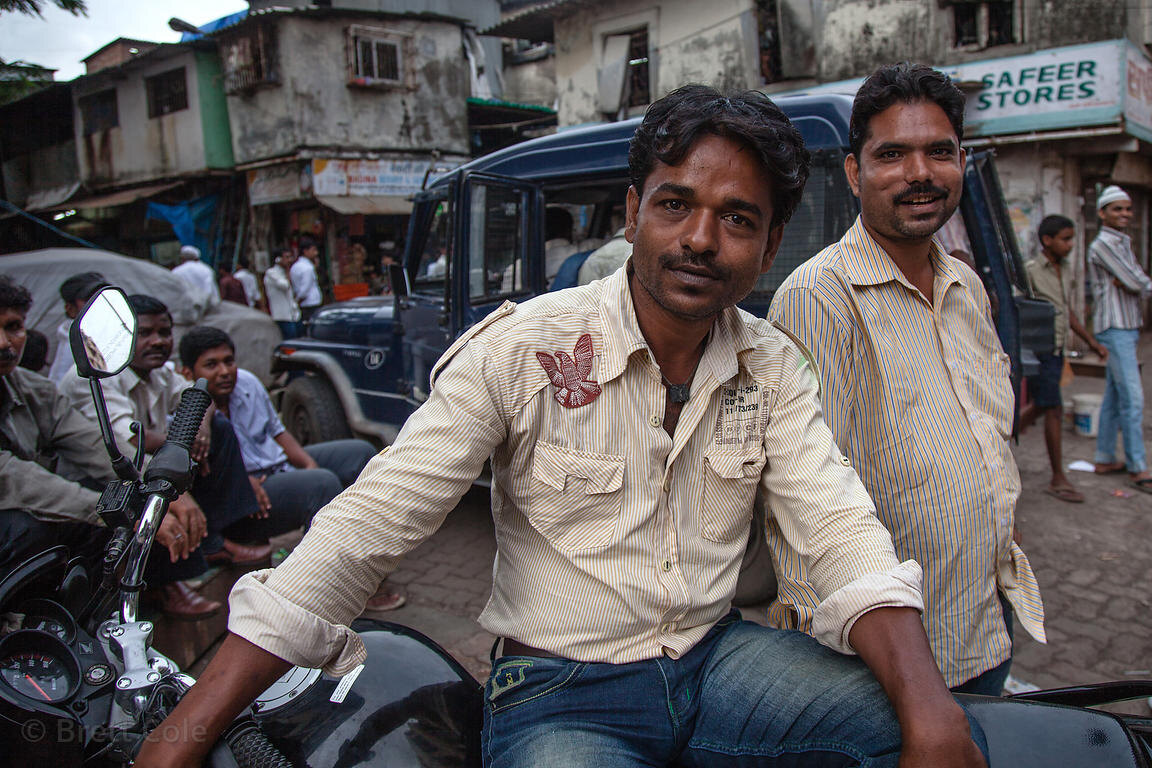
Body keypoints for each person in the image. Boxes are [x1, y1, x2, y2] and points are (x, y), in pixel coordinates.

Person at [137, 85, 985, 768]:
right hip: (561, 691)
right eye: (675, 204)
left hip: (721, 660)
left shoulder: (771, 366)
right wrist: (181, 738)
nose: (699, 239)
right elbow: (367, 526)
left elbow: (838, 526)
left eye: (737, 219)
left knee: (922, 727)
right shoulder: (524, 349)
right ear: (631, 213)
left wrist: (928, 708)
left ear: (767, 251)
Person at [768, 62, 1045, 696]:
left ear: (961, 164)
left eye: (938, 152)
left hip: (983, 615)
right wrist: (899, 681)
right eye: (892, 154)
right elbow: (806, 506)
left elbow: (984, 431)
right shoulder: (819, 297)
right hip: (890, 661)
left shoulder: (965, 285)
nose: (920, 173)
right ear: (854, 172)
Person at [60, 294, 272, 617]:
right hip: (105, 476)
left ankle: (214, 541)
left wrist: (202, 429)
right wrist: (177, 444)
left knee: (220, 431)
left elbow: (202, 399)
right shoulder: (96, 377)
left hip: (150, 466)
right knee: (142, 486)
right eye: (144, 333)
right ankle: (164, 583)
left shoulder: (160, 373)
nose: (157, 342)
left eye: (164, 332)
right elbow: (126, 442)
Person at [176, 326, 403, 613]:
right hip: (245, 499)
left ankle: (364, 561)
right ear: (187, 373)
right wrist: (244, 480)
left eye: (228, 361)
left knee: (358, 454)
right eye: (211, 365)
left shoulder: (246, 383)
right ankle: (330, 590)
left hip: (276, 467)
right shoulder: (187, 412)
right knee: (322, 484)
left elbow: (278, 431)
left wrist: (306, 464)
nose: (224, 371)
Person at [0, 277, 203, 585]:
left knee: (130, 496)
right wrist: (121, 511)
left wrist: (163, 483)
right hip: (16, 512)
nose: (4, 343)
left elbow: (91, 443)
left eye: (13, 327)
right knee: (29, 528)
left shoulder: (32, 389)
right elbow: (15, 477)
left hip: (36, 498)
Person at [1025, 215, 1109, 503]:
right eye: (1065, 238)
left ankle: (1000, 436)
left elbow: (1066, 312)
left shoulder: (1064, 269)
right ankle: (1058, 477)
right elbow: (1022, 310)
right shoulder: (1032, 271)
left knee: (1043, 406)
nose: (1071, 244)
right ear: (1047, 240)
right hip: (1041, 350)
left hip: (1057, 349)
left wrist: (1091, 342)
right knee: (1053, 409)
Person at [1087, 185, 1152, 494]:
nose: (1125, 213)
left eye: (1127, 208)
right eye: (1117, 209)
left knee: (1115, 396)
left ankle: (1104, 458)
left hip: (1125, 325)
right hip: (1115, 327)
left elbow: (1134, 280)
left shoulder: (1122, 242)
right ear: (1102, 213)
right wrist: (1133, 283)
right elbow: (1134, 280)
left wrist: (1134, 283)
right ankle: (1138, 467)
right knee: (1133, 399)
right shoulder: (1103, 244)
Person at [47, 271, 107, 384]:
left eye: (103, 296)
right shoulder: (74, 346)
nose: (100, 303)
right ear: (70, 309)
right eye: (90, 299)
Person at [264, 248, 301, 338]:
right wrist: (288, 271)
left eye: (290, 257)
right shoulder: (272, 273)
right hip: (283, 315)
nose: (289, 260)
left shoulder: (285, 273)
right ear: (278, 259)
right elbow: (284, 285)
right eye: (287, 257)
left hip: (293, 314)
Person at [290, 237, 323, 321]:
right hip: (311, 303)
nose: (316, 253)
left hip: (305, 303)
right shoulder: (307, 268)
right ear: (305, 251)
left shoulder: (295, 266)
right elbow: (305, 288)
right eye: (313, 250)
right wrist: (298, 300)